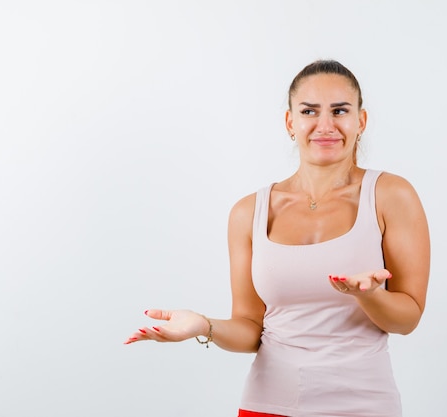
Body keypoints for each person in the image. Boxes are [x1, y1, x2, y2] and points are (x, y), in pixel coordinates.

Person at [124, 59, 430, 417]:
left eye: (340, 110)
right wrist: (203, 325)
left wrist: (371, 296)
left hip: (363, 405)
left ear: (360, 120)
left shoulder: (391, 195)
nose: (325, 125)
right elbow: (251, 329)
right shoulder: (248, 212)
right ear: (290, 122)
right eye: (309, 111)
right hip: (268, 404)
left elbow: (408, 318)